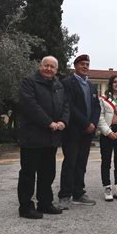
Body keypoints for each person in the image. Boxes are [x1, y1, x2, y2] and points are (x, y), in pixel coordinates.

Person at [17, 56, 69, 219]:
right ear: (40, 66)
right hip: (32, 137)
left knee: (48, 173)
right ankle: (26, 207)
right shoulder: (29, 82)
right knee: (28, 174)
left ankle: (45, 203)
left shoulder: (58, 85)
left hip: (51, 139)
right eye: (46, 65)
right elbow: (30, 106)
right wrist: (49, 123)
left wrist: (63, 121)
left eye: (52, 67)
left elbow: (66, 105)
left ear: (56, 70)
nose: (49, 69)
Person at [58, 54, 101, 209]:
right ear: (75, 66)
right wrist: (86, 123)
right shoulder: (67, 83)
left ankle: (78, 192)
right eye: (82, 64)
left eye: (87, 64)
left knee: (81, 163)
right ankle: (64, 195)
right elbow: (70, 106)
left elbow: (97, 106)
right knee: (70, 162)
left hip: (88, 132)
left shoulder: (91, 85)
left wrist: (94, 124)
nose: (85, 66)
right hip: (73, 131)